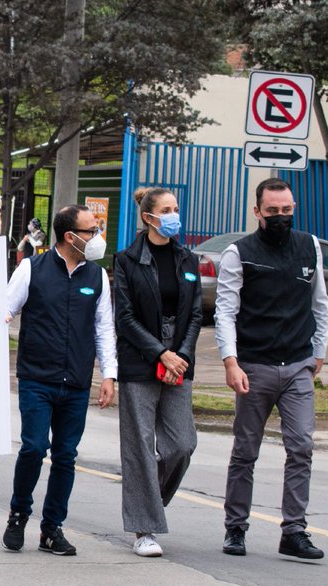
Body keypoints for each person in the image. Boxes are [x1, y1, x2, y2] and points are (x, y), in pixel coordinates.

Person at [216, 178, 328, 561]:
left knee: (302, 447)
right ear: (257, 211)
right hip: (253, 366)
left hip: (298, 364)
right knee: (246, 451)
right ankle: (236, 528)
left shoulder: (310, 246)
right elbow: (226, 312)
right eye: (272, 211)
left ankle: (294, 530)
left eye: (287, 210)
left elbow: (320, 303)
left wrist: (319, 353)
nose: (281, 217)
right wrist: (231, 362)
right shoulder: (239, 253)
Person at [2, 204, 116, 556]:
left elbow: (104, 327)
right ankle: (19, 514)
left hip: (77, 383)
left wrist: (109, 375)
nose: (97, 237)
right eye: (91, 230)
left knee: (66, 456)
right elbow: (4, 310)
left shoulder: (97, 276)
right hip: (37, 377)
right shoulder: (30, 268)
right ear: (70, 236)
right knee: (34, 448)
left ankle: (51, 528)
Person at [113, 187, 202, 557]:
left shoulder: (187, 258)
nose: (173, 215)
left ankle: (147, 505)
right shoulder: (126, 260)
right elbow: (125, 317)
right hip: (140, 361)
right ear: (148, 217)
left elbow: (195, 314)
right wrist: (159, 354)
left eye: (176, 209)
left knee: (182, 444)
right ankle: (144, 528)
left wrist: (178, 355)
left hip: (178, 361)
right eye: (166, 210)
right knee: (140, 449)